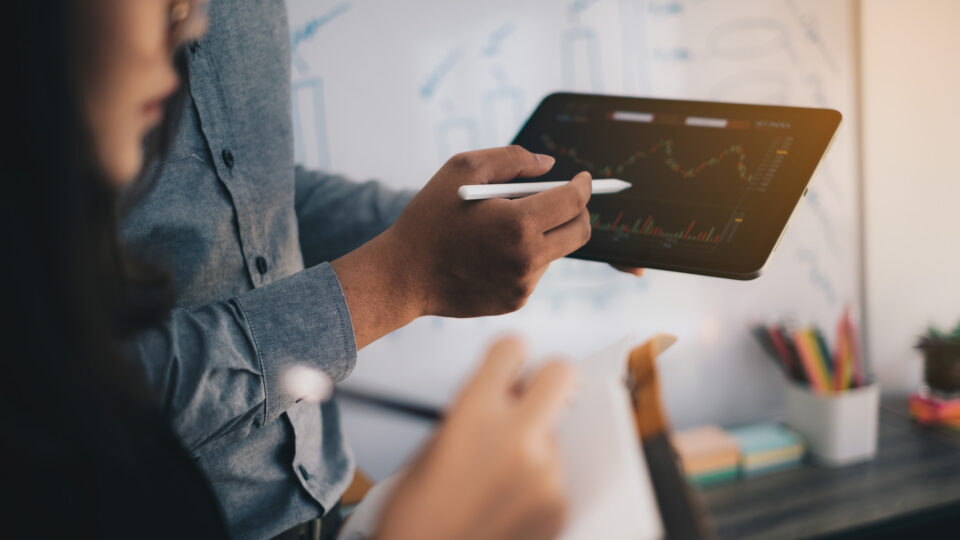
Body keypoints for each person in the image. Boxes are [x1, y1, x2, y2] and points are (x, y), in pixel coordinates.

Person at [1, 1, 583, 538]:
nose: (195, 22)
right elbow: (66, 393)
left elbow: (253, 196)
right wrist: (404, 278)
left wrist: (474, 227)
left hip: (321, 494)